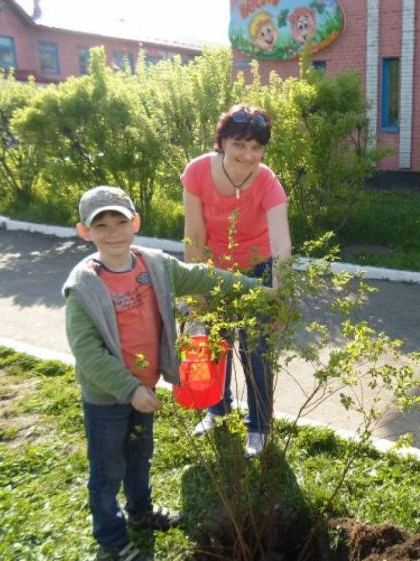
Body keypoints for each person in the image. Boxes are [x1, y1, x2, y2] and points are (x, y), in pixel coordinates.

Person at [64, 186, 262, 561]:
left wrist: (255, 289)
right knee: (107, 470)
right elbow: (87, 352)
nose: (112, 232)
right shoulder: (84, 284)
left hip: (144, 388)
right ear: (85, 231)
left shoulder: (153, 265)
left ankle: (141, 513)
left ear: (135, 223)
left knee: (140, 455)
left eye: (120, 221)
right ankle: (112, 539)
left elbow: (204, 277)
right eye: (101, 225)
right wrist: (128, 389)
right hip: (106, 396)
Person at [181, 103, 291, 456]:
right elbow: (194, 233)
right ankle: (217, 410)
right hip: (214, 271)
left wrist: (278, 291)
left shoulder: (267, 181)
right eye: (240, 144)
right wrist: (195, 287)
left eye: (257, 147)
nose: (248, 155)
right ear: (222, 141)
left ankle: (259, 428)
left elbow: (281, 242)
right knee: (216, 344)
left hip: (258, 272)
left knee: (256, 351)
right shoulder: (197, 173)